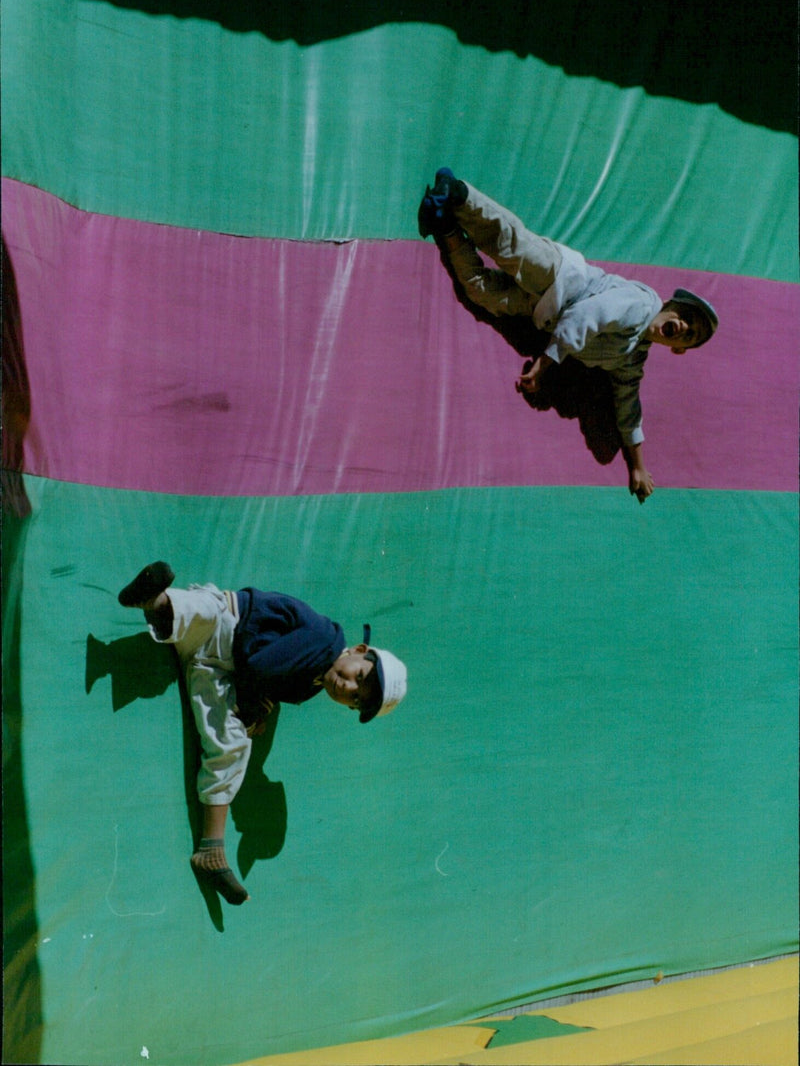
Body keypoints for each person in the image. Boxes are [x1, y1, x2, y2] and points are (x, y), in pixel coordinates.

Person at [418, 168, 719, 502]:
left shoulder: (631, 357)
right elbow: (588, 316)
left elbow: (628, 404)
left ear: (678, 348)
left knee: (481, 292)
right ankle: (457, 193)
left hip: (542, 310)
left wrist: (637, 465)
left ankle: (444, 223)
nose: (685, 327)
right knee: (511, 246)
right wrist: (544, 366)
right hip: (562, 276)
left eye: (690, 335)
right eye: (687, 317)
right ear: (671, 303)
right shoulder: (640, 304)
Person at [117, 561, 407, 905]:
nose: (347, 687)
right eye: (358, 677)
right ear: (359, 651)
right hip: (228, 624)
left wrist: (260, 710)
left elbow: (270, 685)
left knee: (234, 745)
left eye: (356, 699)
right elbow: (260, 666)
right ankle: (157, 600)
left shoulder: (308, 688)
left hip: (213, 666)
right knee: (205, 609)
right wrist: (254, 706)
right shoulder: (326, 640)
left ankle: (211, 851)